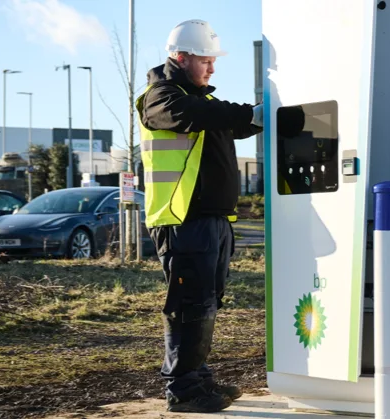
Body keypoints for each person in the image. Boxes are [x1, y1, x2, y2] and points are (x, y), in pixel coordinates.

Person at [135, 19, 263, 413]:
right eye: (205, 60)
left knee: (205, 301)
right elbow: (198, 115)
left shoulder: (203, 105)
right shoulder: (160, 98)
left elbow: (225, 121)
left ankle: (198, 378)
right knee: (190, 302)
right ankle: (184, 390)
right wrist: (251, 113)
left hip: (211, 220)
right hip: (181, 220)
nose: (212, 68)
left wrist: (265, 116)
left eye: (212, 60)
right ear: (181, 57)